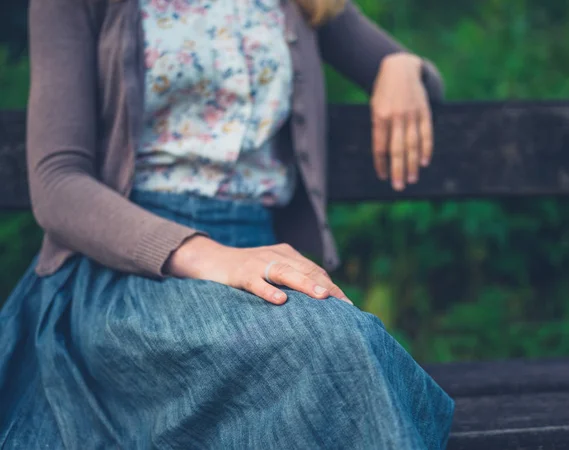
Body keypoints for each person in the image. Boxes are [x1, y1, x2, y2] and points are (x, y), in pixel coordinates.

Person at [0, 0, 454, 448]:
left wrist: (400, 65)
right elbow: (57, 185)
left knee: (339, 341)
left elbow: (425, 90)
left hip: (260, 266)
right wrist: (212, 257)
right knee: (332, 343)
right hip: (129, 274)